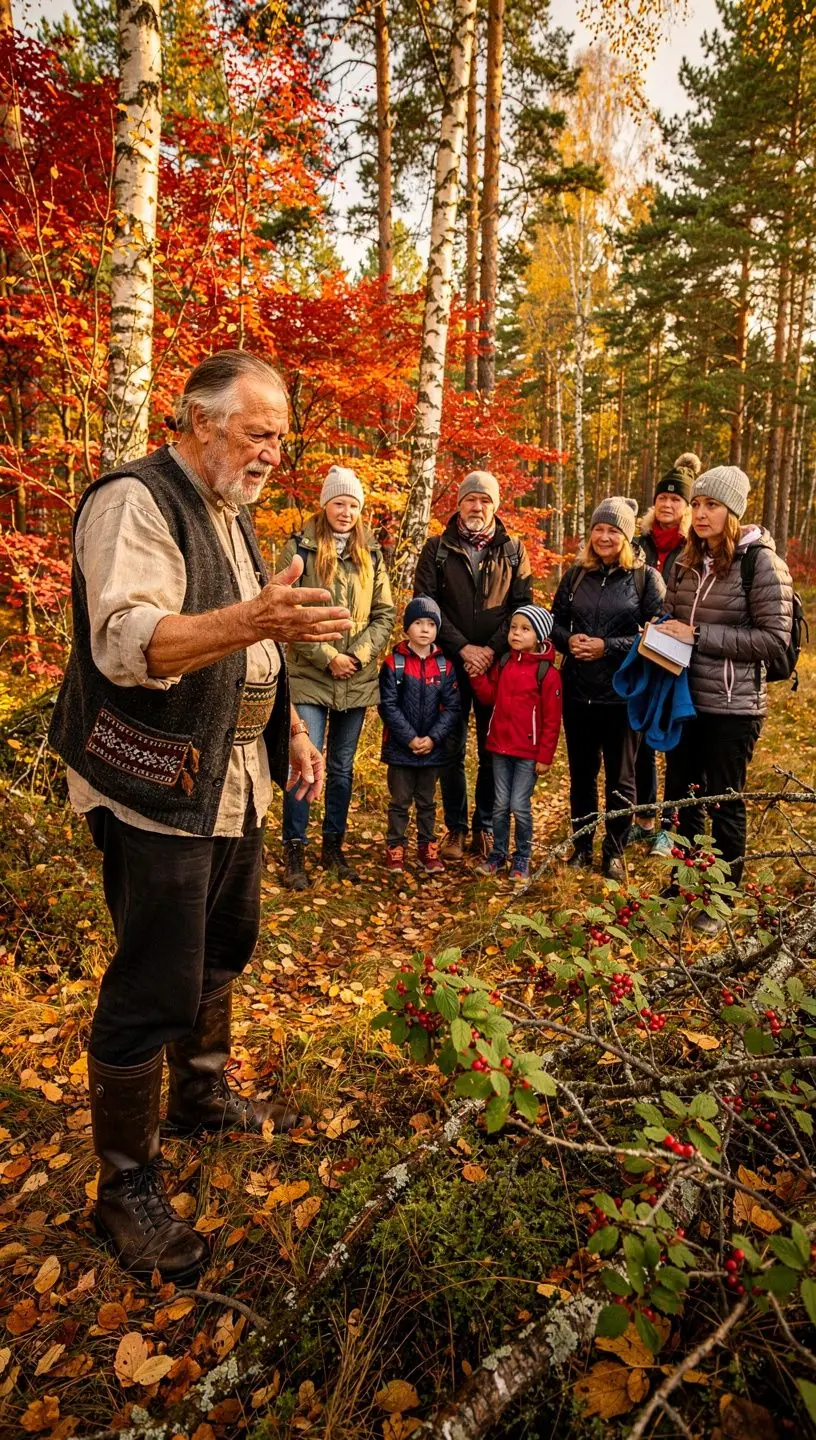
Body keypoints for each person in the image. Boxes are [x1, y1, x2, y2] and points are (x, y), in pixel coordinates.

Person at [48, 350, 352, 1282]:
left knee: (226, 946)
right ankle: (123, 1188)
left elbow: (249, 660)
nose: (272, 453)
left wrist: (290, 735)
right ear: (196, 418)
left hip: (232, 780)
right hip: (153, 790)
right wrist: (255, 622)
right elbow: (132, 643)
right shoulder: (134, 501)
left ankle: (201, 1099)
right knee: (152, 987)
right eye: (258, 432)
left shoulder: (234, 515)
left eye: (280, 438)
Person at [654, 465, 793, 935]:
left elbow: (774, 641)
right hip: (684, 700)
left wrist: (695, 634)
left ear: (732, 511)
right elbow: (671, 613)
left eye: (711, 505)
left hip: (734, 707)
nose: (700, 513)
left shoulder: (762, 563)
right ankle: (683, 884)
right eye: (696, 504)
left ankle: (722, 900)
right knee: (682, 798)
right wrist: (658, 630)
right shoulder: (689, 560)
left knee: (724, 802)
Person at [279, 466, 395, 889]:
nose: (346, 512)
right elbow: (287, 612)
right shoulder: (300, 549)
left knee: (342, 769)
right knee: (306, 763)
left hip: (357, 680)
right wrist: (328, 656)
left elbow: (385, 614)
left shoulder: (373, 555)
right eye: (339, 503)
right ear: (325, 504)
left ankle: (333, 847)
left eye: (353, 505)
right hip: (310, 674)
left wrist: (358, 654)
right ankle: (295, 849)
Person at [414, 470, 533, 862]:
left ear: (495, 506)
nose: (476, 506)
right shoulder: (437, 549)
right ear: (459, 504)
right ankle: (456, 827)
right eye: (470, 499)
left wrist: (489, 650)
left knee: (490, 746)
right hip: (448, 665)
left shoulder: (513, 549)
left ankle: (483, 827)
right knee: (449, 745)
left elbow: (522, 607)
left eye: (484, 500)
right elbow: (425, 606)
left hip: (496, 667)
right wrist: (464, 648)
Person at [551, 497, 665, 880]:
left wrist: (608, 646)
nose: (604, 536)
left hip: (622, 694)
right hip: (578, 691)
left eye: (613, 530)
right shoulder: (575, 575)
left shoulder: (645, 579)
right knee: (582, 773)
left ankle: (613, 852)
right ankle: (582, 845)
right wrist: (571, 641)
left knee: (622, 777)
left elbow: (659, 633)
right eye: (599, 529)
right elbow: (554, 624)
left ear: (627, 536)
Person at [632, 453, 700, 858]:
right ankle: (643, 819)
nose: (668, 504)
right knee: (639, 738)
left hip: (680, 654)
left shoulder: (694, 546)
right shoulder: (638, 543)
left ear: (687, 508)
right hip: (641, 650)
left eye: (677, 500)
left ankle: (671, 827)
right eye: (662, 497)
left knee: (675, 740)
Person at [470, 605, 562, 880]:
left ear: (539, 635)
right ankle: (498, 853)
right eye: (513, 628)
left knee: (518, 805)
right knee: (499, 804)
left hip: (528, 753)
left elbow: (551, 720)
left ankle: (522, 857)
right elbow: (490, 697)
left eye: (525, 629)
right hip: (500, 747)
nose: (516, 634)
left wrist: (545, 756)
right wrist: (476, 677)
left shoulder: (547, 673)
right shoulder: (505, 662)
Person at [378, 596, 460, 874]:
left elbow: (452, 707)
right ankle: (396, 848)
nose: (424, 629)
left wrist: (433, 739)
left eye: (430, 624)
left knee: (427, 802)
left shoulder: (445, 667)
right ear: (406, 628)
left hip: (432, 749)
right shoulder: (394, 664)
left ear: (437, 629)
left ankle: (427, 848)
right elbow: (387, 706)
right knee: (399, 802)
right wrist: (410, 738)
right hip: (401, 748)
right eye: (418, 623)